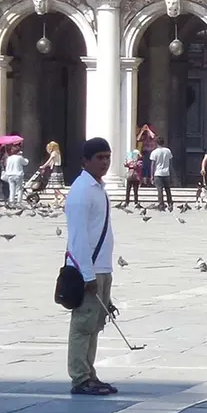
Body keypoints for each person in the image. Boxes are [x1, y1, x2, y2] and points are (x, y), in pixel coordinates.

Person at [65, 137, 117, 396]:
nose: (105, 162)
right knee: (83, 324)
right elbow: (78, 238)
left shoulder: (98, 188)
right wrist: (87, 274)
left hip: (102, 267)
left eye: (107, 157)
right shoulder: (81, 191)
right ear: (85, 161)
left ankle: (89, 372)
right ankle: (79, 376)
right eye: (100, 158)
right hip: (87, 269)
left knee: (95, 324)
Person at [150, 137, 174, 212]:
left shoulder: (154, 152)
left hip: (158, 173)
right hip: (166, 173)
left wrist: (151, 176)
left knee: (159, 190)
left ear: (156, 143)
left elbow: (152, 165)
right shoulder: (168, 151)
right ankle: (170, 203)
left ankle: (161, 205)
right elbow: (170, 162)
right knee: (167, 189)